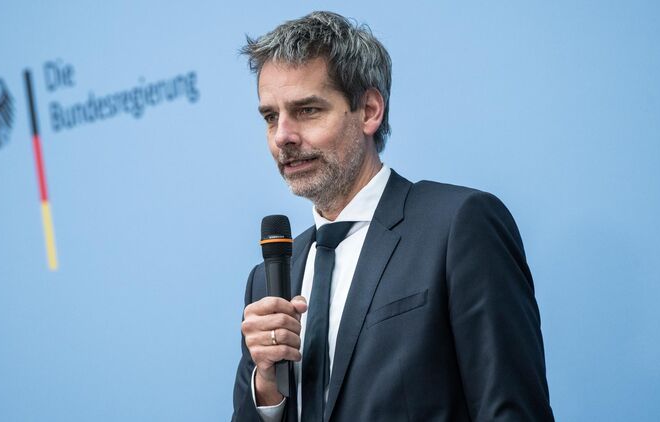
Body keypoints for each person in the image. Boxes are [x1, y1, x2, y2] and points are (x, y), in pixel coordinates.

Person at [231, 11, 554, 422]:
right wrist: (266, 388)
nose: (283, 136)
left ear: (369, 110)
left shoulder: (458, 226)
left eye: (307, 110)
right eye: (270, 117)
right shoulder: (267, 280)